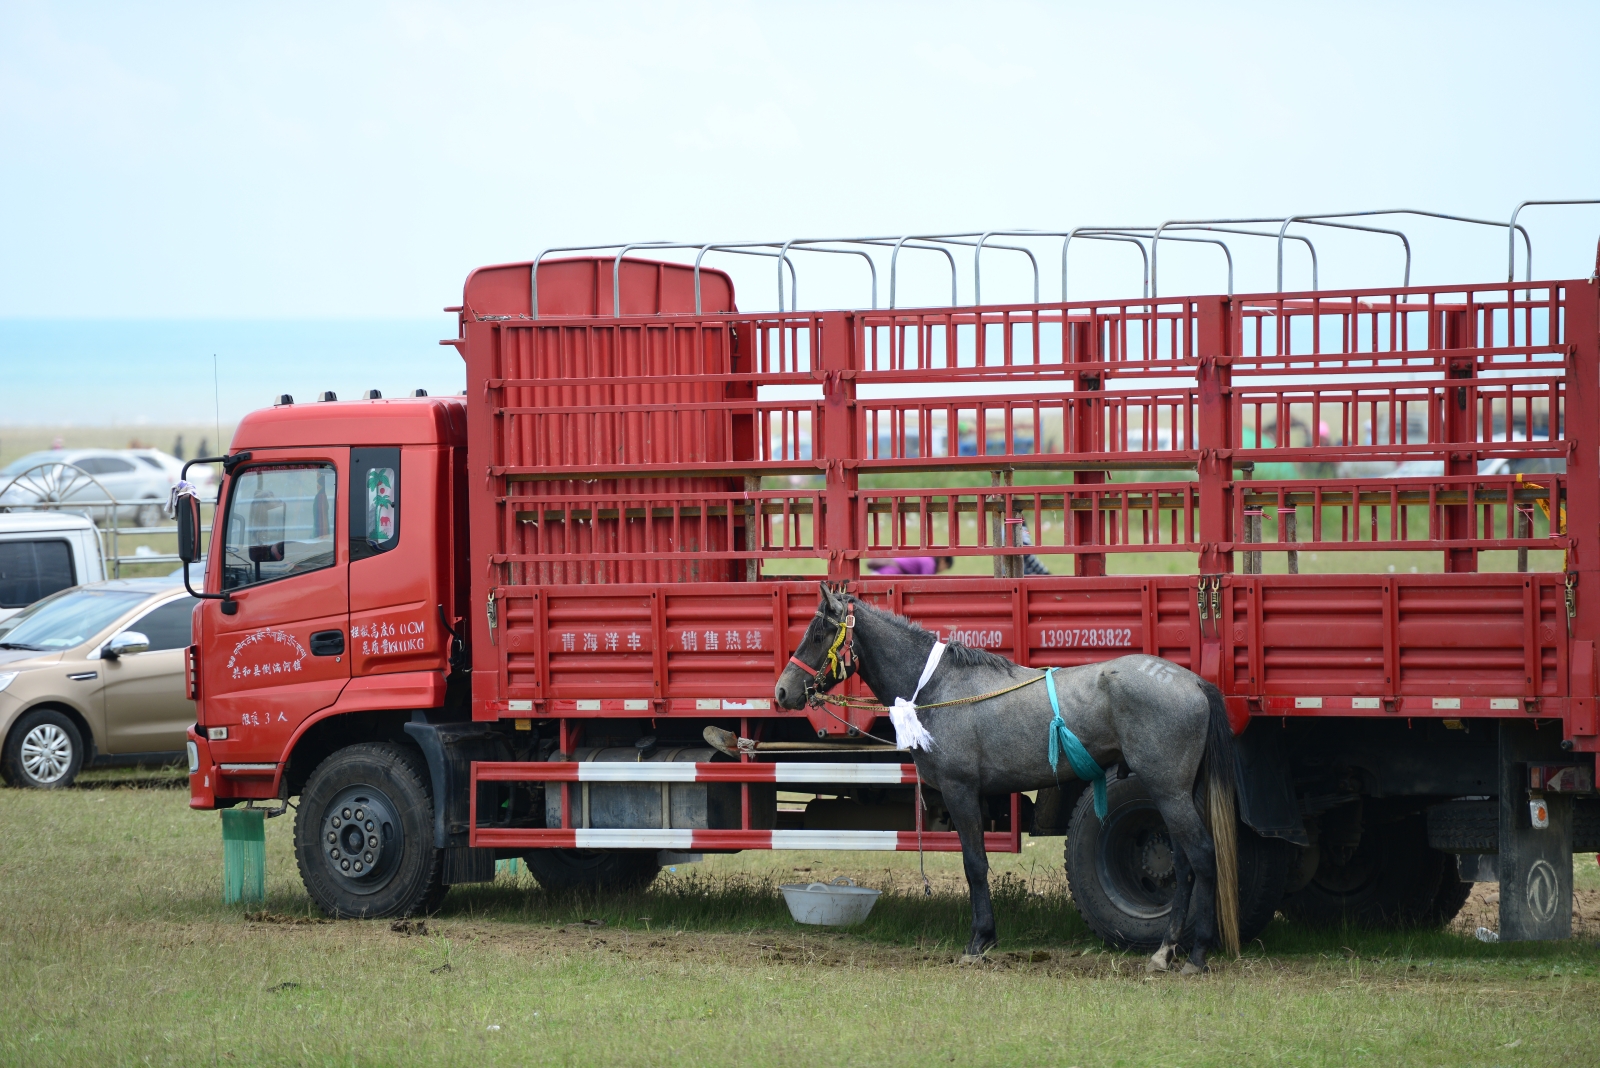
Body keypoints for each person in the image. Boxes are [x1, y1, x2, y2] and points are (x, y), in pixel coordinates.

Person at [866, 556, 954, 576]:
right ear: (943, 560)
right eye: (945, 567)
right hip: (887, 573)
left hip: (882, 571)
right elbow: (926, 583)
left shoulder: (927, 558)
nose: (942, 570)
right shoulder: (930, 563)